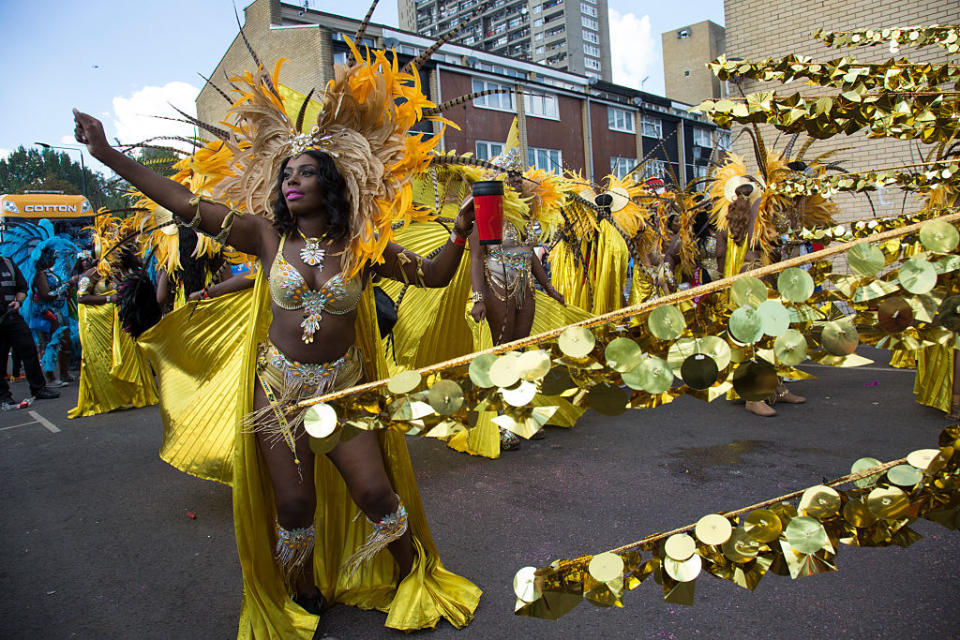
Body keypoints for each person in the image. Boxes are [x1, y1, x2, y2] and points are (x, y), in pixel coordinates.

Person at [73, 45, 482, 636]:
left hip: (342, 389)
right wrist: (108, 152)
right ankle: (303, 592)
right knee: (293, 506)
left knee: (375, 494)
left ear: (333, 182)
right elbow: (182, 201)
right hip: (277, 389)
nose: (293, 182)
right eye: (287, 175)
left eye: (306, 172)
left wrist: (463, 232)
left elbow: (435, 276)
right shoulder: (264, 235)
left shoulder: (364, 246)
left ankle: (415, 576)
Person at [0, 255, 60, 406]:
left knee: (29, 348)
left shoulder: (7, 263)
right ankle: (3, 395)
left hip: (12, 316)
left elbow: (22, 288)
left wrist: (18, 301)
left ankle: (38, 388)